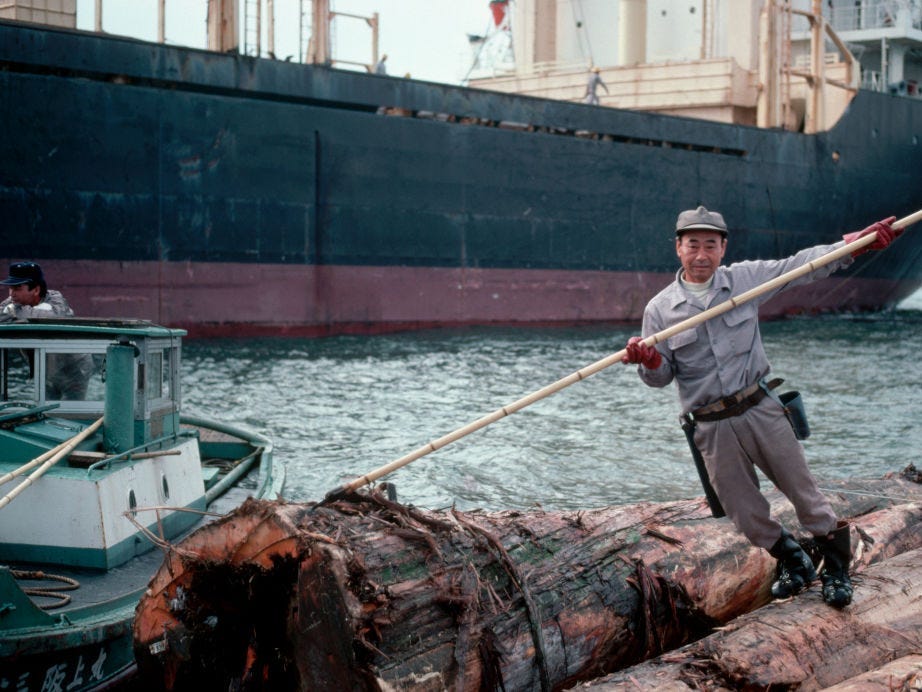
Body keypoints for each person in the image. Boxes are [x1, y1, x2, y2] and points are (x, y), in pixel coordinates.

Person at [621, 206, 901, 608]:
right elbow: (661, 377)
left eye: (710, 246)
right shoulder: (659, 310)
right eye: (693, 245)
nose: (702, 254)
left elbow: (802, 266)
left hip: (760, 408)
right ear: (678, 248)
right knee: (744, 513)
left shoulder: (744, 280)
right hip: (710, 425)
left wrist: (852, 247)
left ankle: (837, 572)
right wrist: (648, 361)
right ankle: (794, 560)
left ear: (723, 249)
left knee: (804, 494)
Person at [0, 261, 92, 399]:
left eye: (18, 288)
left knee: (73, 412)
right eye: (10, 288)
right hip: (45, 371)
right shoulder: (13, 302)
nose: (12, 294)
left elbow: (53, 316)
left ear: (36, 290)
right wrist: (19, 311)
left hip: (74, 371)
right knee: (46, 412)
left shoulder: (56, 300)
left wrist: (15, 312)